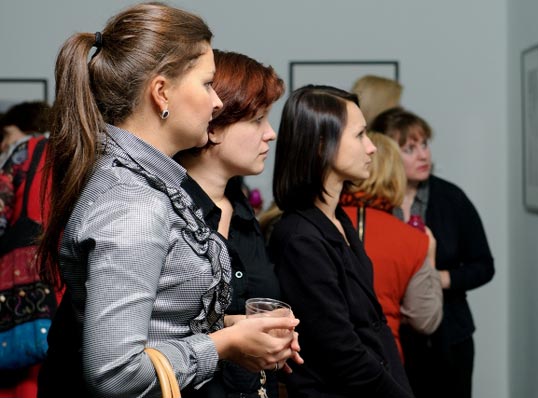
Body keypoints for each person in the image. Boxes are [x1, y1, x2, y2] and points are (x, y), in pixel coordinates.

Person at [36, 4, 300, 397]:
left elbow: (158, 325)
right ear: (161, 92)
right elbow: (116, 374)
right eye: (207, 84)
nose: (216, 103)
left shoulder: (147, 182)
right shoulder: (133, 204)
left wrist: (237, 331)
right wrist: (225, 345)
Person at [268, 84, 414, 398]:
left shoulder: (339, 221)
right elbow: (341, 352)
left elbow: (374, 327)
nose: (372, 148)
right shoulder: (300, 239)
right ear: (322, 145)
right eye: (360, 135)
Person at [175, 49, 290, 398]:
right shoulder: (166, 210)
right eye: (257, 120)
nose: (270, 134)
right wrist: (231, 330)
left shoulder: (241, 210)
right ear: (213, 125)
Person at [370, 106, 495, 398]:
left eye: (424, 144)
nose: (423, 155)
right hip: (392, 337)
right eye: (409, 148)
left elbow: (484, 265)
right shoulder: (374, 202)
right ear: (387, 154)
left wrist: (440, 278)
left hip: (450, 336)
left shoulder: (452, 199)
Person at [339, 132, 442, 362]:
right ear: (396, 176)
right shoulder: (412, 240)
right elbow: (426, 320)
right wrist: (431, 256)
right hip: (383, 360)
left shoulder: (319, 223)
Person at [0, 101, 54, 398]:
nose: (4, 145)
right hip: (62, 288)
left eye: (7, 136)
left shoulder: (24, 151)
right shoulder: (71, 152)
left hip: (22, 288)